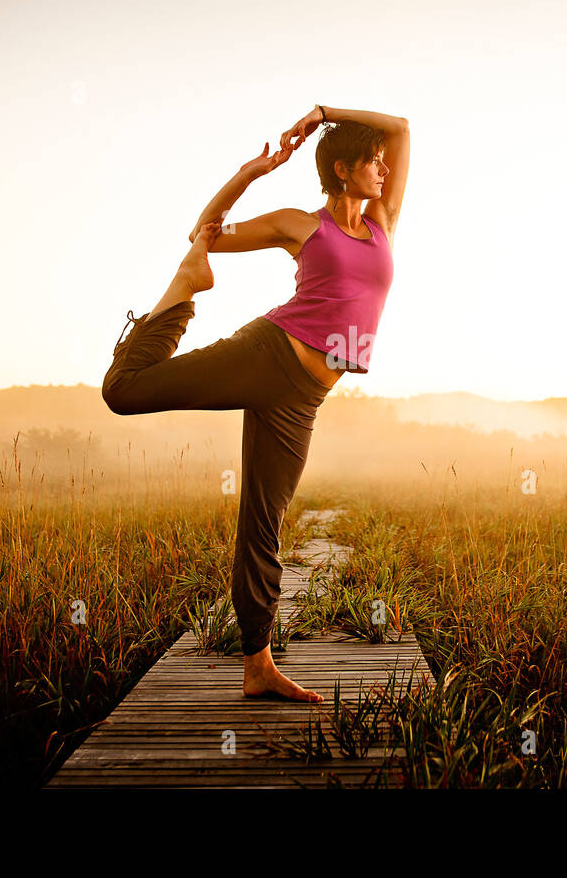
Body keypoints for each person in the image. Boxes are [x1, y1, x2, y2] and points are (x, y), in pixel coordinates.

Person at [101, 104, 409, 702]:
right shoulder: (300, 224)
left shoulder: (382, 224)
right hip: (266, 354)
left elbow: (400, 127)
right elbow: (206, 233)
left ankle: (257, 665)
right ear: (342, 169)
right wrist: (252, 172)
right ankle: (181, 294)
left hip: (304, 398)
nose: (383, 165)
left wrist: (321, 112)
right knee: (124, 392)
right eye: (371, 161)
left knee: (262, 523)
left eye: (382, 161)